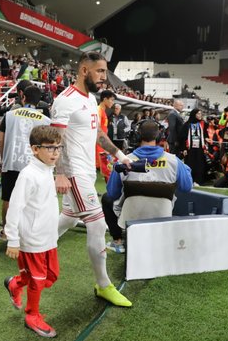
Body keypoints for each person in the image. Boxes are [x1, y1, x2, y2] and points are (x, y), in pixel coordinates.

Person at [51, 51, 132, 307]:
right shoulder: (65, 101)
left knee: (70, 217)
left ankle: (33, 245)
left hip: (87, 171)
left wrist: (120, 155)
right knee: (97, 224)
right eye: (100, 71)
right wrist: (61, 172)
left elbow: (98, 134)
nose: (104, 77)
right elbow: (56, 139)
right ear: (84, 70)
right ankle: (103, 285)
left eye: (105, 72)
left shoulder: (90, 100)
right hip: (73, 172)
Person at [4, 126, 62, 338]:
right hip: (32, 238)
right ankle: (32, 315)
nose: (55, 152)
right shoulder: (28, 175)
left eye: (58, 148)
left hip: (49, 236)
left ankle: (14, 283)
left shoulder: (48, 169)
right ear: (35, 149)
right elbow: (15, 207)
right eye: (50, 148)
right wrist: (13, 239)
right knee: (38, 279)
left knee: (51, 276)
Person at [102, 120, 193, 253]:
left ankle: (118, 241)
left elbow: (112, 193)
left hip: (130, 217)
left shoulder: (124, 161)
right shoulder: (174, 161)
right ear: (159, 136)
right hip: (163, 214)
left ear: (137, 136)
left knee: (106, 199)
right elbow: (186, 187)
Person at [0, 86, 52, 241]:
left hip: (12, 163)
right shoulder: (46, 120)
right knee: (33, 200)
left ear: (23, 97)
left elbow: (1, 140)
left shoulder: (9, 115)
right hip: (33, 165)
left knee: (8, 198)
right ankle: (30, 232)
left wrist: (3, 159)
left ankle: (7, 232)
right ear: (38, 101)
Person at [181, 108, 208, 186]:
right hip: (190, 148)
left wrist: (206, 140)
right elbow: (183, 137)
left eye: (200, 114)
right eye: (198, 114)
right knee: (190, 164)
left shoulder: (202, 124)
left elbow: (205, 134)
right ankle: (190, 180)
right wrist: (184, 149)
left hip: (200, 148)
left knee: (199, 164)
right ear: (194, 114)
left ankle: (198, 181)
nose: (200, 115)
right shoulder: (187, 124)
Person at [97, 90, 116, 183]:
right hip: (98, 144)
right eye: (111, 100)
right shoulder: (98, 110)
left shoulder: (103, 111)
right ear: (105, 99)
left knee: (106, 167)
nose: (113, 102)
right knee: (105, 167)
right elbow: (97, 129)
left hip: (102, 143)